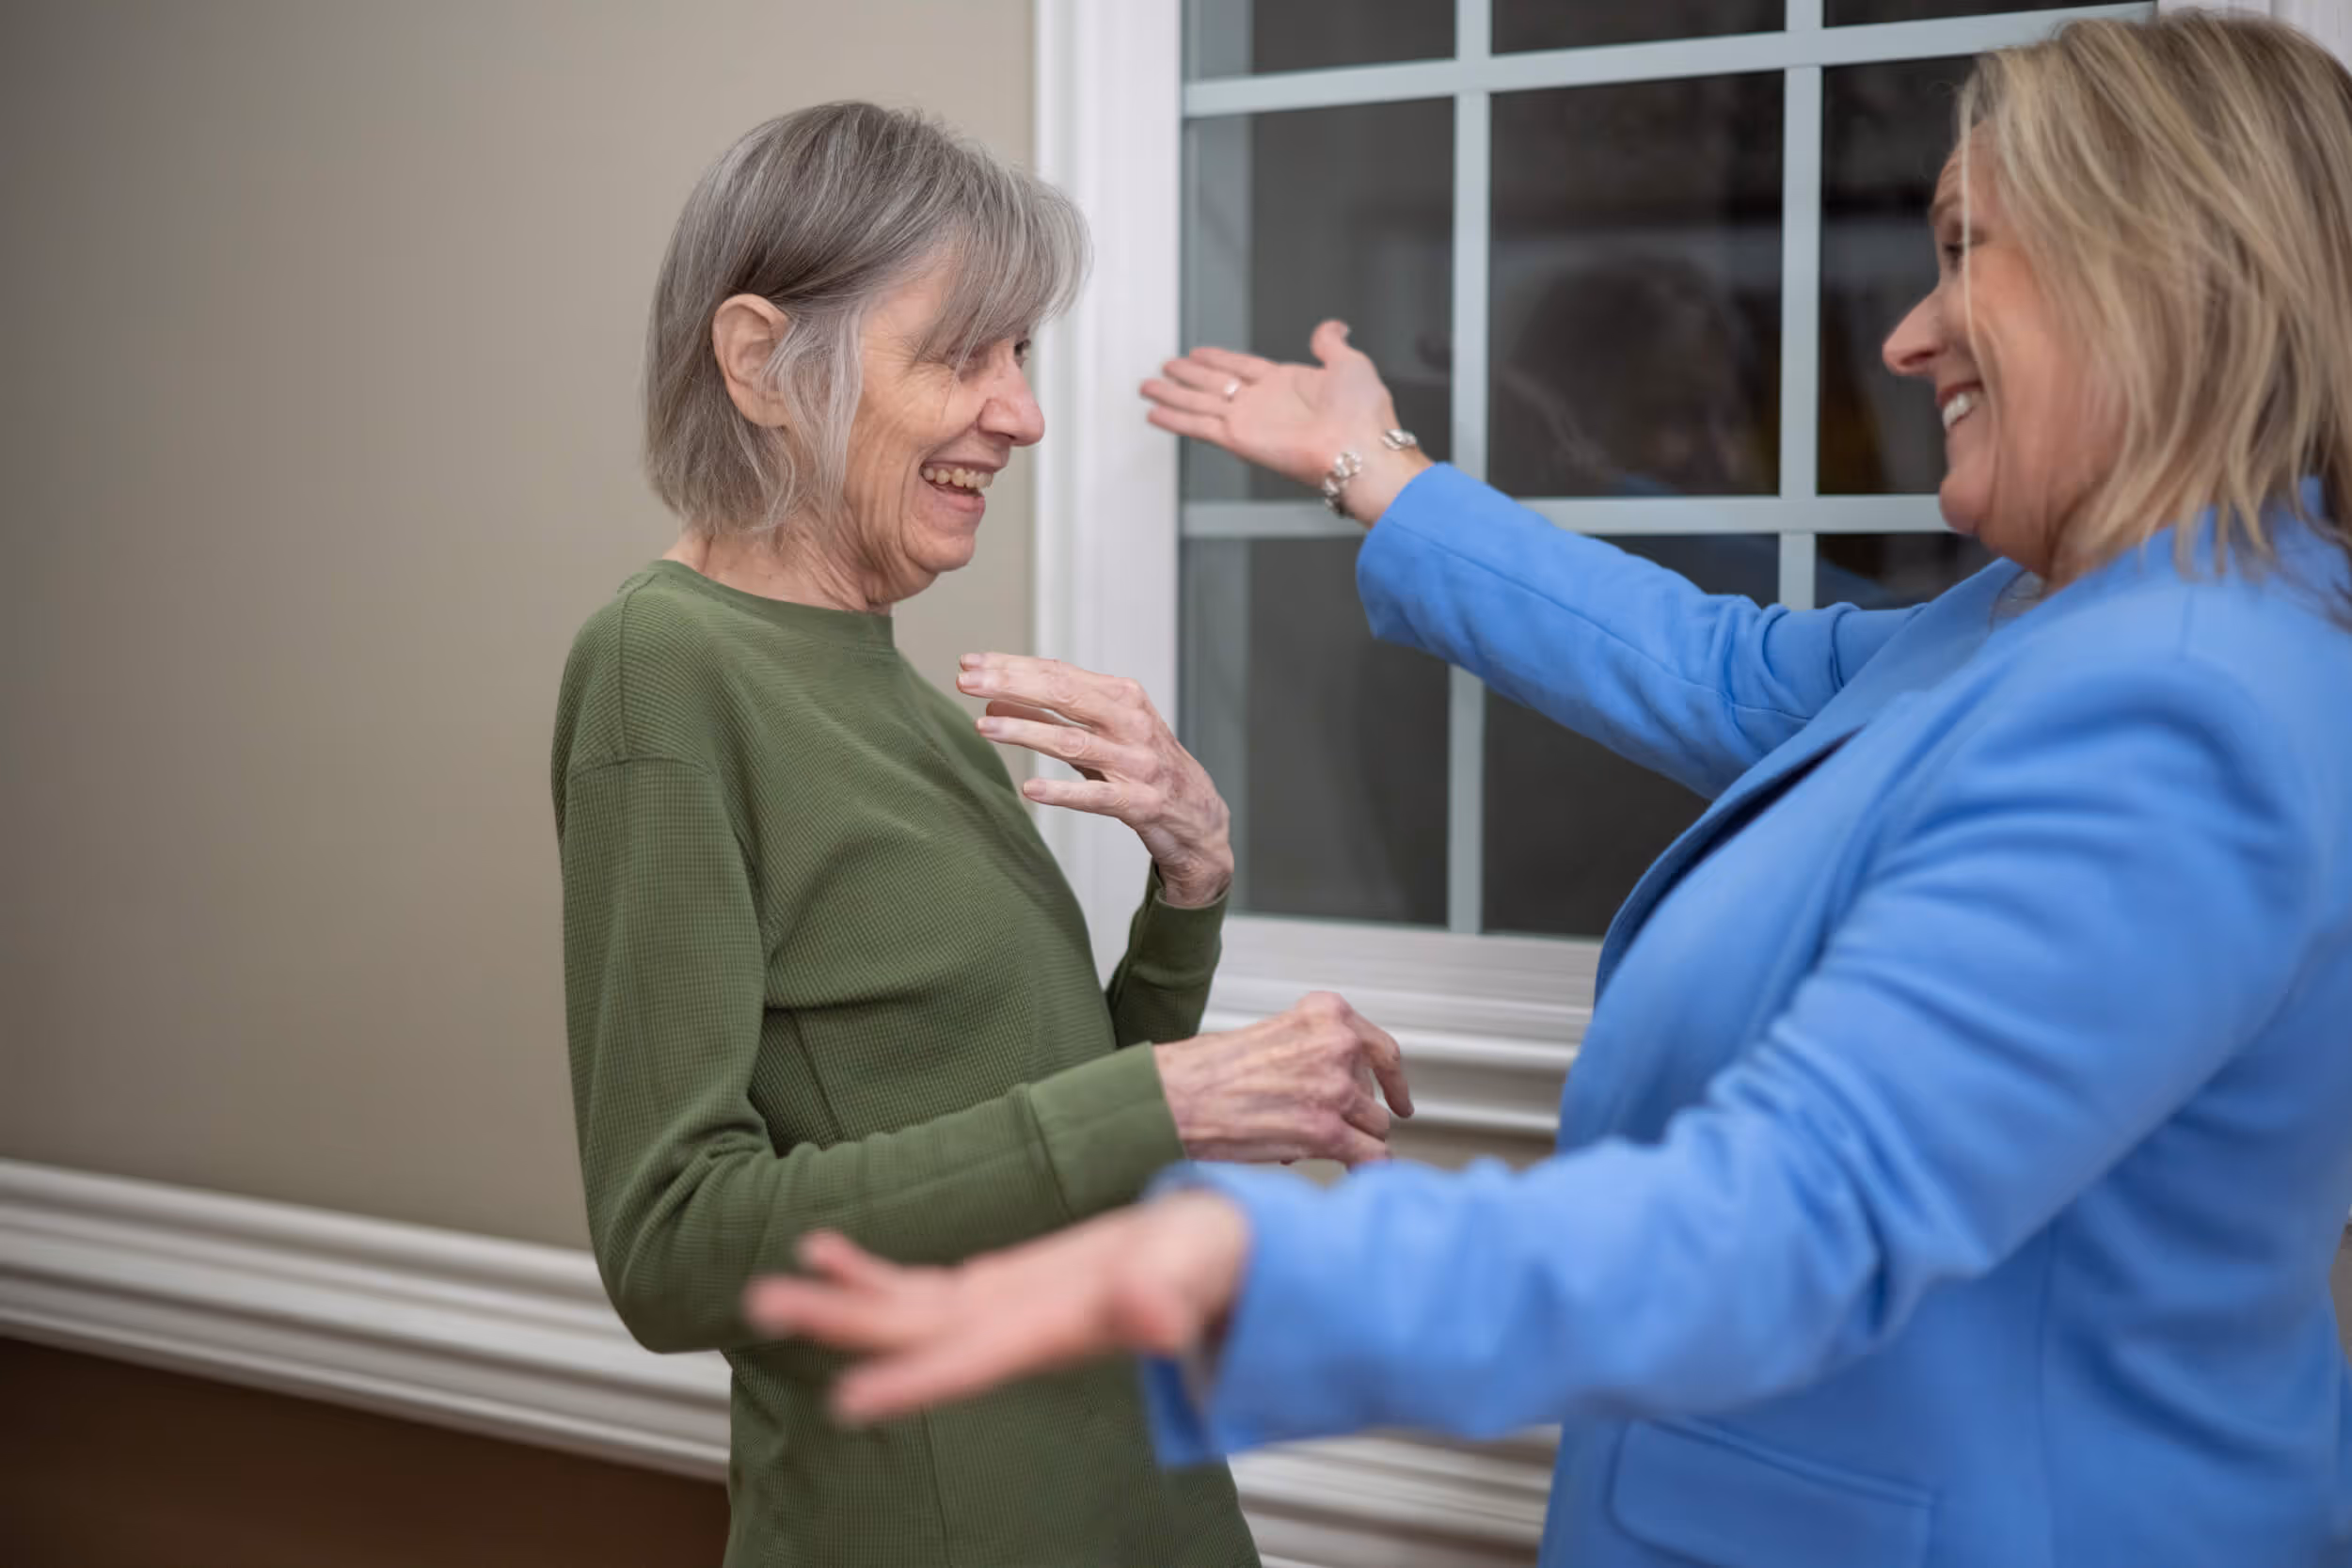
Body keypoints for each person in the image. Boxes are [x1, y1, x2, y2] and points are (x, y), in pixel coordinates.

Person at [739, 17, 2352, 1565]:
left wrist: (1227, 1252)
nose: (1907, 332)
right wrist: (1379, 472)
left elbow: (1798, 1207)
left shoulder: (2177, 701)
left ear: (2151, 271)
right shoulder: (2034, 620)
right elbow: (1721, 669)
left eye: (1960, 248)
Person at [550, 102, 1414, 1568]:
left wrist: (1186, 892)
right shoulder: (663, 668)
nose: (1017, 411)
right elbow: (676, 1246)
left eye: (1020, 357)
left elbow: (1043, 1128)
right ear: (763, 362)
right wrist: (1175, 1100)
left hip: (1139, 1481)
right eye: (963, 354)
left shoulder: (902, 689)